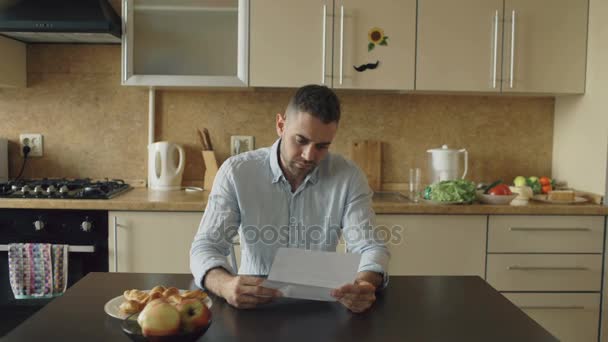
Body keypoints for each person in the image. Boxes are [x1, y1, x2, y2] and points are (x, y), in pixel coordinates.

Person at [190, 84, 390, 313]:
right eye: (301, 140)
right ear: (281, 125)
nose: (309, 156)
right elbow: (206, 246)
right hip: (254, 305)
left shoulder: (349, 176)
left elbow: (370, 246)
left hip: (322, 306)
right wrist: (225, 285)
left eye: (322, 146)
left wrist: (364, 283)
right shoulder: (237, 172)